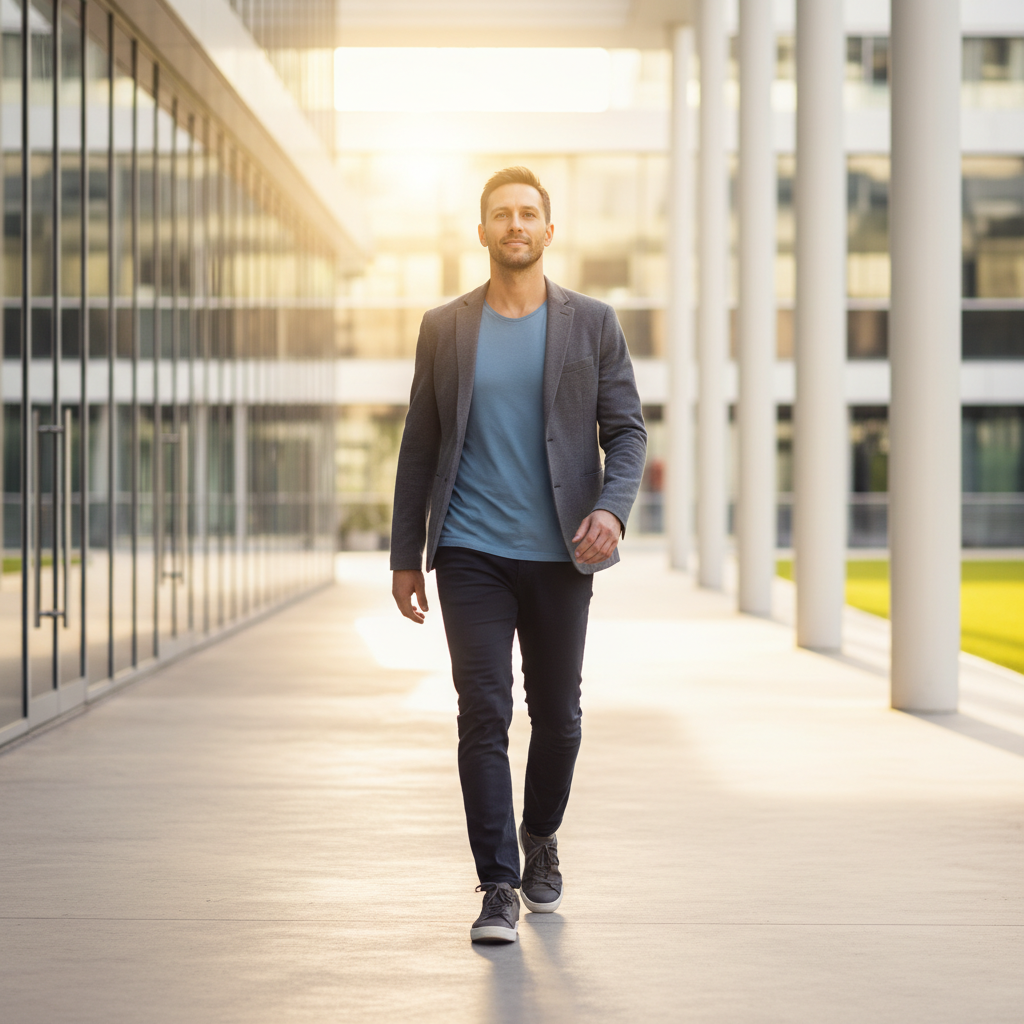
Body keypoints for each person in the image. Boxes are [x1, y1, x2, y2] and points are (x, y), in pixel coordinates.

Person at [390, 166, 647, 944]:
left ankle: (540, 834)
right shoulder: (446, 327)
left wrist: (612, 508)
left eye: (528, 214)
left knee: (559, 718)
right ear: (482, 232)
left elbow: (627, 431)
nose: (515, 225)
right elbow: (420, 443)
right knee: (484, 714)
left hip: (561, 552)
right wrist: (408, 553)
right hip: (470, 549)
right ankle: (498, 883)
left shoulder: (592, 323)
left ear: (548, 229)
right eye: (501, 214)